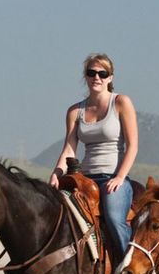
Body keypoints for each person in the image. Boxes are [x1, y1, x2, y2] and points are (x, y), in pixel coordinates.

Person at [49, 53, 138, 259]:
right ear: (86, 77)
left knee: (115, 217)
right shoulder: (75, 111)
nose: (96, 77)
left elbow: (133, 145)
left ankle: (128, 268)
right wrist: (56, 174)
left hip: (113, 178)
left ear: (110, 77)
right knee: (57, 213)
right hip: (85, 178)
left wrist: (120, 177)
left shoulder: (121, 103)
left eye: (102, 73)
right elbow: (69, 149)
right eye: (92, 73)